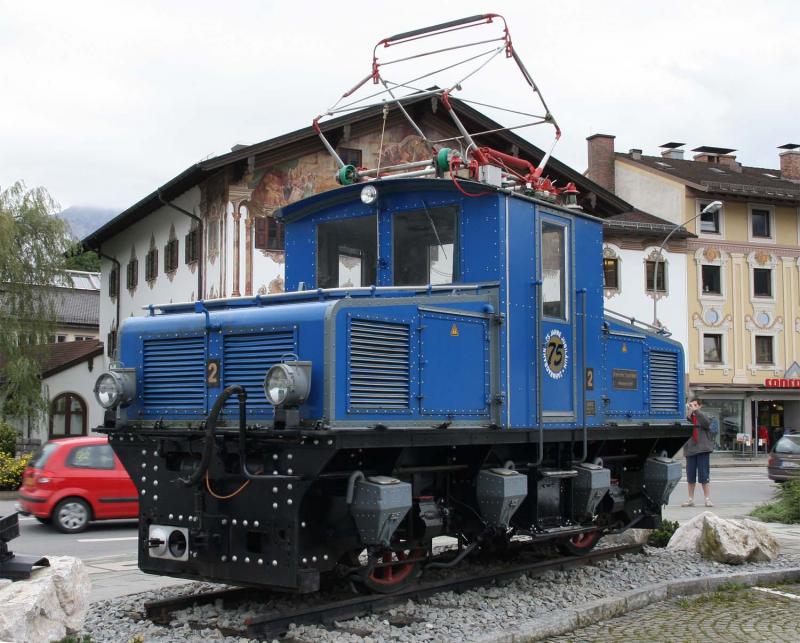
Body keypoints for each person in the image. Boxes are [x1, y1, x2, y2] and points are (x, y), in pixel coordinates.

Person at [681, 398, 714, 507]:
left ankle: (707, 499)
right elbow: (683, 424)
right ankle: (690, 499)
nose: (693, 407)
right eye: (691, 405)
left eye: (695, 405)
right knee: (690, 476)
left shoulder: (705, 416)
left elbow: (707, 423)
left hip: (702, 449)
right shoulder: (687, 417)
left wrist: (696, 412)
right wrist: (689, 413)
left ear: (700, 406)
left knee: (704, 475)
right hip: (690, 450)